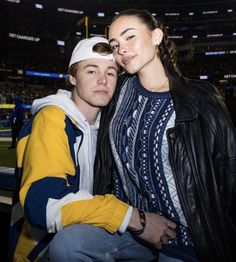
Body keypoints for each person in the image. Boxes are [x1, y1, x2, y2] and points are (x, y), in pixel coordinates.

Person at [49, 9, 236, 262]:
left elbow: (228, 176)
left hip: (185, 238)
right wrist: (50, 108)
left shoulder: (201, 99)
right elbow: (81, 100)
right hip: (134, 228)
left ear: (156, 36)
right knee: (67, 244)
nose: (121, 49)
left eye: (129, 37)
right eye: (115, 45)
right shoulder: (118, 92)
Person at [8, 36, 129, 261]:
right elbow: (43, 203)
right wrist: (126, 216)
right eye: (91, 71)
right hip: (38, 252)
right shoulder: (53, 119)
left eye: (111, 73)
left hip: (79, 244)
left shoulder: (104, 126)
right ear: (72, 77)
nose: (103, 80)